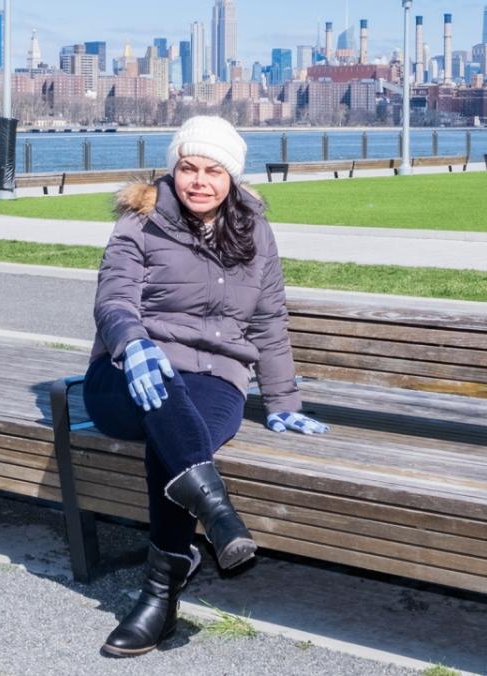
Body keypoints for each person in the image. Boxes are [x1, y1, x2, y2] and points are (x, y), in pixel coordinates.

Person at [83, 116, 328, 658]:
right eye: (189, 168)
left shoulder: (255, 232)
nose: (199, 181)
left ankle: (160, 593)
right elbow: (113, 299)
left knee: (175, 434)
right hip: (127, 372)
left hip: (216, 376)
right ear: (173, 169)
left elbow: (268, 322)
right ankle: (216, 520)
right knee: (165, 405)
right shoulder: (139, 222)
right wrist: (134, 344)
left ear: (232, 177)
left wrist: (283, 401)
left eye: (213, 170)